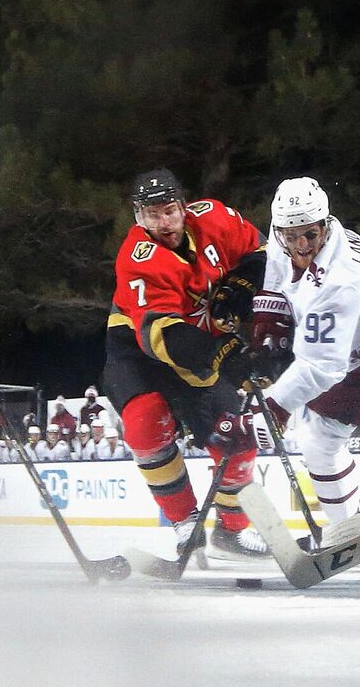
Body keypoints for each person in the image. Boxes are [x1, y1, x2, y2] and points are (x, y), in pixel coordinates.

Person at [103, 168, 274, 560]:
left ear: (183, 206)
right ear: (137, 217)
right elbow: (163, 334)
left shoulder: (213, 217)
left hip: (202, 340)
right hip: (140, 350)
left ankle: (230, 532)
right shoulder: (138, 259)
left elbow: (261, 253)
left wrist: (241, 286)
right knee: (146, 422)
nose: (163, 223)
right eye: (151, 215)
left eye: (169, 211)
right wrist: (224, 355)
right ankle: (184, 522)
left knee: (238, 441)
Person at [251, 177, 360, 523]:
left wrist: (274, 406)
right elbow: (274, 260)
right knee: (316, 442)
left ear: (325, 226)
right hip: (353, 349)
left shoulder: (342, 278)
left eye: (310, 235)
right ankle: (348, 528)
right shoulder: (285, 235)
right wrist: (270, 308)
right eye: (291, 235)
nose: (301, 244)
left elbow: (322, 366)